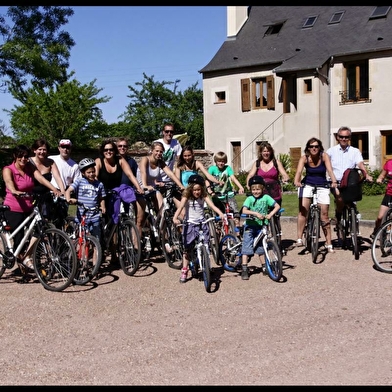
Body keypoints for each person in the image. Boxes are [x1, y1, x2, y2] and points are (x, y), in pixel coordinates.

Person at [2, 145, 62, 272]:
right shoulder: (9, 169)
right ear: (15, 156)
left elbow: (40, 178)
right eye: (20, 156)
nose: (23, 158)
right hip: (13, 207)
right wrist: (14, 191)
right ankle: (20, 260)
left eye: (25, 156)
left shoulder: (30, 168)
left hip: (29, 206)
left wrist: (54, 189)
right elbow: (8, 182)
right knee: (19, 238)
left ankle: (27, 256)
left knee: (38, 230)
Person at [172, 174, 225, 283]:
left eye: (199, 190)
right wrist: (175, 217)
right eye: (195, 190)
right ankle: (185, 270)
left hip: (202, 223)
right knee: (187, 249)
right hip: (190, 224)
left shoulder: (204, 196)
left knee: (206, 245)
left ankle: (207, 266)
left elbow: (212, 206)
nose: (197, 192)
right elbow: (181, 207)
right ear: (191, 189)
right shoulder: (186, 197)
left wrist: (220, 213)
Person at [293, 137, 338, 252]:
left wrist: (334, 182)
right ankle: (299, 238)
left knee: (324, 216)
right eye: (311, 146)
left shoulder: (324, 156)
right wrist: (296, 181)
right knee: (303, 210)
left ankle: (328, 243)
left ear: (320, 147)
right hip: (308, 185)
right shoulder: (304, 158)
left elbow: (330, 170)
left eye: (316, 146)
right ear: (308, 148)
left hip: (322, 185)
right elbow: (298, 172)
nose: (314, 148)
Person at [95, 138, 144, 237]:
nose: (108, 152)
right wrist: (99, 192)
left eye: (111, 149)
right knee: (101, 221)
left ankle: (116, 247)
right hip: (102, 194)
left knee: (116, 221)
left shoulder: (120, 160)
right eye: (106, 150)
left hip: (115, 194)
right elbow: (95, 177)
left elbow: (130, 175)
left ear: (114, 151)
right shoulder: (99, 161)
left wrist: (138, 188)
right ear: (102, 151)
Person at [326, 126, 373, 229]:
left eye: (346, 137)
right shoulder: (330, 151)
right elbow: (327, 166)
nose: (343, 139)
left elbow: (360, 164)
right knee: (339, 197)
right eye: (341, 136)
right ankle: (338, 214)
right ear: (337, 137)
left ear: (349, 138)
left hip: (350, 181)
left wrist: (366, 174)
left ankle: (353, 215)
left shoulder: (355, 151)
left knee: (352, 199)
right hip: (336, 181)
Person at [240, 175, 280, 280]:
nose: (256, 192)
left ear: (262, 189)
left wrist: (270, 215)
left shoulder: (266, 198)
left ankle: (264, 266)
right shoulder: (249, 199)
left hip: (262, 226)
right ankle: (244, 268)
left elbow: (277, 206)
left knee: (261, 247)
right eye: (253, 189)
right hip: (250, 226)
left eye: (258, 189)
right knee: (247, 247)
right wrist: (255, 213)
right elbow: (244, 210)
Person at [65, 158, 106, 241]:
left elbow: (101, 198)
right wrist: (69, 199)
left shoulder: (99, 184)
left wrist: (103, 206)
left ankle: (96, 253)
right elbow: (68, 190)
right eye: (88, 172)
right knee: (80, 238)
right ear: (83, 173)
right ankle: (79, 252)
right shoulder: (80, 181)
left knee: (96, 238)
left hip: (94, 214)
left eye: (93, 172)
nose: (91, 174)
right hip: (81, 215)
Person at [137, 141, 184, 213]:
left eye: (161, 152)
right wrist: (145, 185)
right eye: (157, 151)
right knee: (141, 219)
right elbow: (143, 173)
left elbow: (170, 173)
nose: (159, 153)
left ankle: (162, 223)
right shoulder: (145, 159)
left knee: (162, 210)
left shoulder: (160, 162)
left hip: (152, 188)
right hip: (141, 188)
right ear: (152, 150)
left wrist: (180, 185)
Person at [116, 137, 146, 237]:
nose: (122, 148)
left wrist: (139, 188)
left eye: (124, 146)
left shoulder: (132, 162)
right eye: (120, 146)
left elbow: (136, 176)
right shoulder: (113, 160)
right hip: (115, 193)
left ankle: (133, 242)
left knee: (130, 219)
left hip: (128, 193)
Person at [29, 139, 66, 220]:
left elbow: (57, 177)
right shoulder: (29, 161)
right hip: (31, 195)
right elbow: (40, 179)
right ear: (34, 150)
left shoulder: (50, 162)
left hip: (45, 195)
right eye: (40, 149)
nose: (42, 152)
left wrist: (62, 191)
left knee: (46, 219)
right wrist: (54, 189)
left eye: (44, 149)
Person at [246, 141, 290, 207]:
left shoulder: (276, 163)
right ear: (261, 152)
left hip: (274, 192)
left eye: (268, 151)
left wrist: (285, 178)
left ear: (271, 152)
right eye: (264, 151)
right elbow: (250, 175)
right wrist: (248, 184)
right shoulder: (257, 163)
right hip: (261, 193)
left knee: (275, 212)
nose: (266, 153)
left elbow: (284, 174)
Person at [207, 151, 245, 227]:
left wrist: (240, 187)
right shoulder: (212, 169)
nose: (221, 163)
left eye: (223, 161)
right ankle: (218, 231)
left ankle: (237, 231)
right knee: (219, 216)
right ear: (216, 161)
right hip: (217, 195)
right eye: (219, 161)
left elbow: (233, 178)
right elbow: (207, 179)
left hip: (228, 194)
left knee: (235, 212)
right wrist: (209, 190)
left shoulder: (228, 168)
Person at [371, 159, 392, 238]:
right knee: (380, 217)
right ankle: (376, 230)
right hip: (389, 194)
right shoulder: (389, 163)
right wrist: (380, 179)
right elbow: (382, 175)